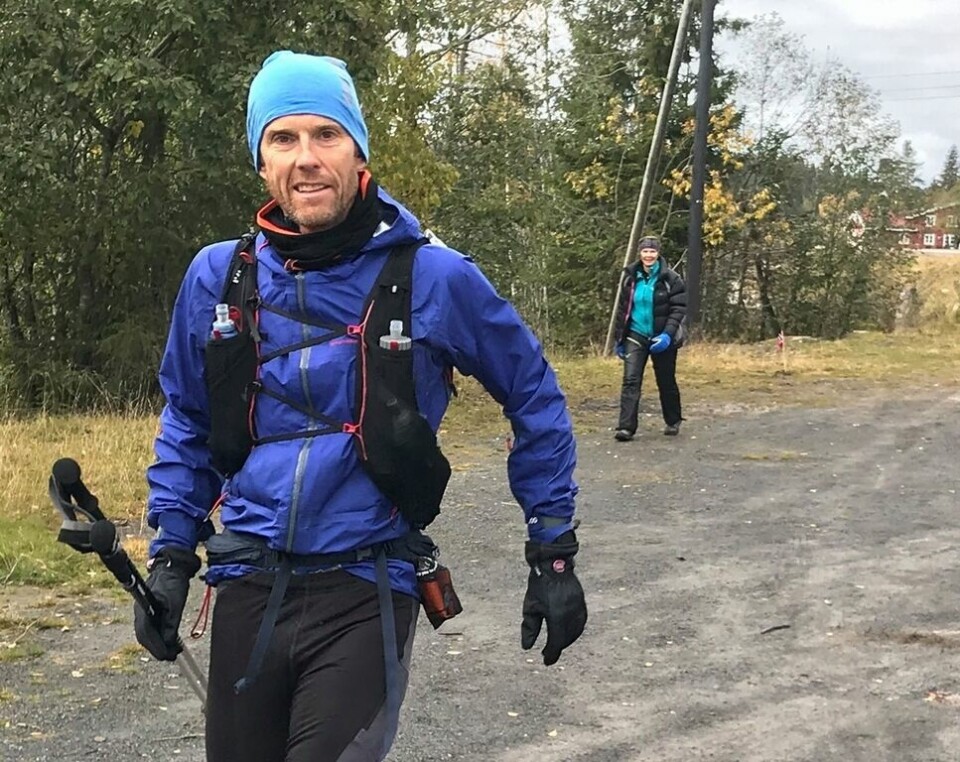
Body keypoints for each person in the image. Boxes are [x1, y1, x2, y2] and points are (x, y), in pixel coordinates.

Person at [134, 50, 586, 762]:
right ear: (261, 161)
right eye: (283, 139)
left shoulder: (433, 275)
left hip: (366, 584)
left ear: (358, 149)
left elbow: (534, 396)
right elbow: (189, 419)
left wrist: (552, 549)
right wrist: (168, 558)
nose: (306, 158)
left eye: (326, 135)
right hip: (248, 579)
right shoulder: (218, 277)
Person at [612, 235, 686, 441]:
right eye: (645, 251)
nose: (649, 255)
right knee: (630, 380)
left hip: (662, 336)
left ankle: (673, 420)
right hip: (635, 335)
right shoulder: (630, 277)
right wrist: (619, 339)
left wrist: (667, 335)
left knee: (666, 380)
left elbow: (678, 309)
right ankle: (626, 427)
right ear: (640, 253)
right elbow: (622, 310)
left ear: (658, 253)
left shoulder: (671, 279)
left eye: (652, 251)